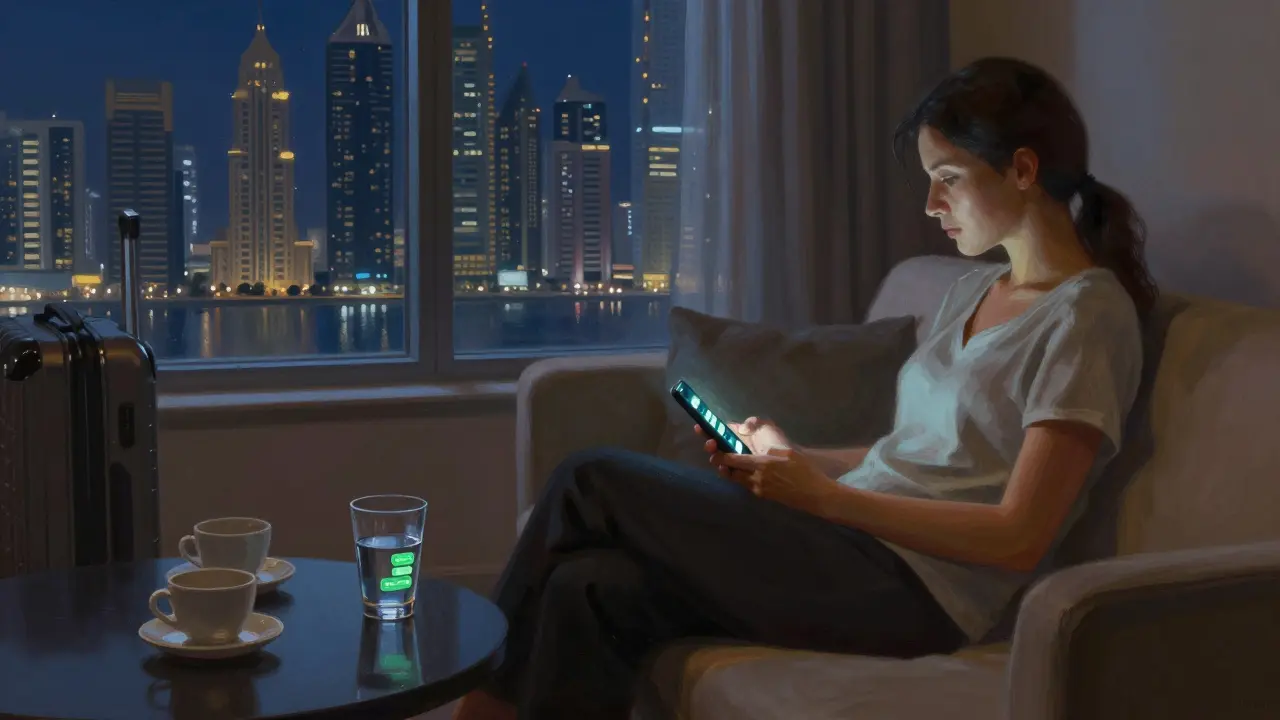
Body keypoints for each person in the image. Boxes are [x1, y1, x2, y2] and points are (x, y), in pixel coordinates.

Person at [454, 56, 1158, 720]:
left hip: (916, 592)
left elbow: (1019, 536)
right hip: (851, 544)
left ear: (1023, 169)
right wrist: (800, 460)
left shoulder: (1086, 315)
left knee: (589, 479)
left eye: (948, 176)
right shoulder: (972, 290)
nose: (931, 204)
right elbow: (923, 459)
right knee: (590, 590)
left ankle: (475, 708)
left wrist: (826, 499)